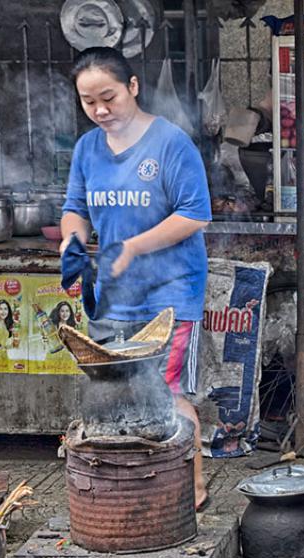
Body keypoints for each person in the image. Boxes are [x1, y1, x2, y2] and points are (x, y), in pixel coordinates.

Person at [61, 46, 210, 511]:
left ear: (133, 87)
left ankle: (195, 490)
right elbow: (75, 211)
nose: (101, 110)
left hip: (170, 292)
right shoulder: (88, 149)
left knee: (163, 392)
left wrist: (131, 247)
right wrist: (71, 245)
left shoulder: (170, 143)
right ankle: (141, 491)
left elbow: (195, 215)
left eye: (109, 97)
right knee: (116, 390)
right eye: (89, 103)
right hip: (112, 296)